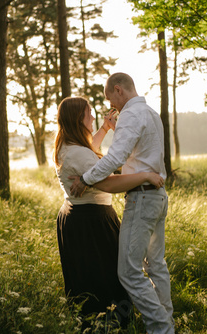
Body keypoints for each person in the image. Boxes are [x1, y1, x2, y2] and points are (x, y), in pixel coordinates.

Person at [70, 73, 174, 334]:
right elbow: (139, 153)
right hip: (158, 197)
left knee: (128, 272)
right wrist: (113, 131)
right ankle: (167, 321)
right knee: (156, 266)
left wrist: (86, 178)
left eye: (110, 100)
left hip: (141, 198)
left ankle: (161, 328)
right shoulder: (150, 113)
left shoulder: (130, 114)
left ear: (118, 90)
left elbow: (116, 157)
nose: (111, 107)